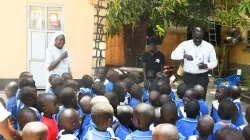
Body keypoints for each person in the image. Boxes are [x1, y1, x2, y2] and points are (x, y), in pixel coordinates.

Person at [171, 27, 218, 100]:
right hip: (188, 77)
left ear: (202, 36)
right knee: (188, 98)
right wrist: (184, 55)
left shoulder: (209, 46)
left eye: (200, 38)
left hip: (202, 78)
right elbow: (173, 55)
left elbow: (215, 62)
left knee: (201, 99)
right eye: (196, 37)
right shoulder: (185, 44)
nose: (198, 39)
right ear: (192, 35)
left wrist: (206, 66)